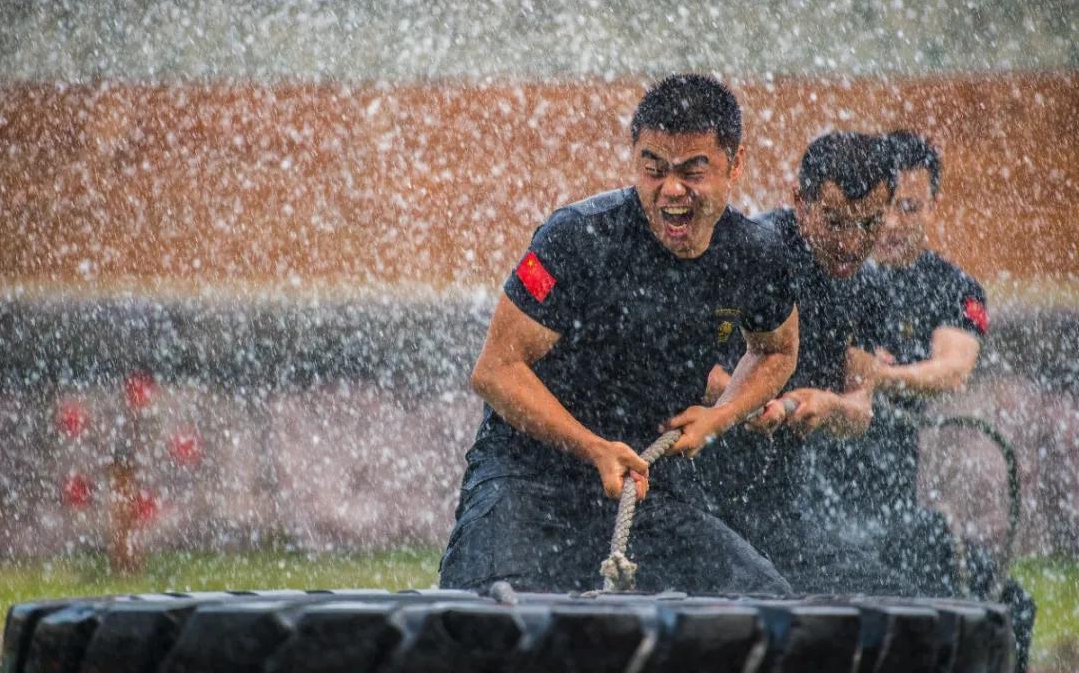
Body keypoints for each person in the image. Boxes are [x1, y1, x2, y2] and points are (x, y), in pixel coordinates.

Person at [439, 74, 800, 594]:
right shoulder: (575, 237)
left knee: (767, 602)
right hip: (527, 478)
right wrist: (594, 449)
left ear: (734, 163)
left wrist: (720, 416)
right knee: (492, 615)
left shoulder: (756, 254)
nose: (671, 190)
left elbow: (776, 350)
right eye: (653, 169)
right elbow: (496, 370)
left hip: (647, 483)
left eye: (692, 171)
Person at [701, 131, 920, 596]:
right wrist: (748, 401)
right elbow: (696, 372)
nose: (851, 243)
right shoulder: (751, 253)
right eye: (834, 221)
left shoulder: (869, 289)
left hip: (779, 507)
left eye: (869, 223)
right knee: (763, 597)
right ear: (800, 203)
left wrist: (826, 405)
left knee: (894, 601)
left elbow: (859, 410)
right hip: (701, 493)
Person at [847, 131, 1035, 671]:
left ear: (933, 205)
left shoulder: (952, 286)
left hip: (891, 487)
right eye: (885, 206)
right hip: (813, 476)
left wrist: (878, 376)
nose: (892, 223)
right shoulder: (838, 268)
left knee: (1008, 604)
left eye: (910, 208)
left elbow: (953, 369)